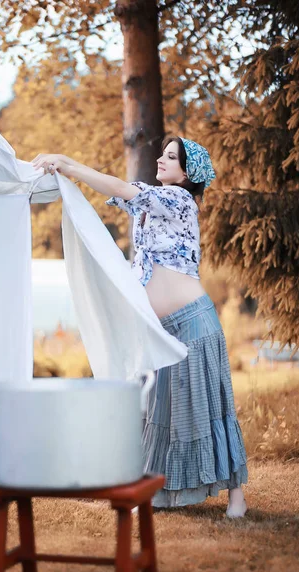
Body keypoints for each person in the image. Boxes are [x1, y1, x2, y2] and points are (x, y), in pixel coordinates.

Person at [32, 136, 248, 518]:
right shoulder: (151, 202)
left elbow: (118, 187)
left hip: (194, 321)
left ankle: (237, 496)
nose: (161, 160)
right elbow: (119, 196)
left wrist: (67, 161)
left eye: (171, 157)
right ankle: (153, 491)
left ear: (187, 172)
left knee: (211, 407)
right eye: (162, 154)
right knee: (161, 412)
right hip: (160, 327)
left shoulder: (179, 200)